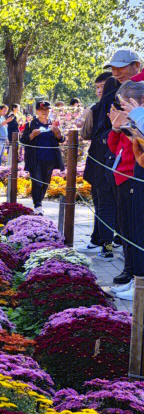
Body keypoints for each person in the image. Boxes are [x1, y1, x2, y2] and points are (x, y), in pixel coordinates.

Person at [85, 51, 142, 259]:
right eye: (113, 68)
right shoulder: (114, 91)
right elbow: (108, 134)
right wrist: (116, 131)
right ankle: (131, 272)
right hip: (117, 163)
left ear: (137, 65)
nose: (116, 72)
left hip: (134, 166)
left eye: (122, 67)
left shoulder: (136, 90)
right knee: (124, 220)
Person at [108, 80, 144, 299]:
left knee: (138, 231)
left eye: (125, 105)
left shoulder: (139, 116)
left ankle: (138, 280)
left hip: (134, 176)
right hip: (125, 175)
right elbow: (116, 147)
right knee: (130, 230)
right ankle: (135, 277)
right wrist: (117, 127)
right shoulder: (136, 118)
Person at [81, 72, 114, 252]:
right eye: (97, 87)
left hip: (104, 161)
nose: (100, 90)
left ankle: (101, 241)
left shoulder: (99, 108)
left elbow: (86, 133)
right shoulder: (98, 108)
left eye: (103, 86)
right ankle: (104, 239)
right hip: (102, 160)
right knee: (103, 201)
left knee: (104, 202)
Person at [20, 100, 64, 212]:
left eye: (47, 110)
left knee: (45, 183)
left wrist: (58, 134)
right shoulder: (30, 125)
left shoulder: (54, 123)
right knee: (37, 182)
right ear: (37, 111)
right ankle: (38, 205)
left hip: (50, 159)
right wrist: (32, 135)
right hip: (35, 159)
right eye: (42, 110)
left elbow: (61, 139)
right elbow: (23, 140)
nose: (44, 112)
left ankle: (39, 203)